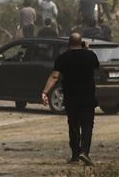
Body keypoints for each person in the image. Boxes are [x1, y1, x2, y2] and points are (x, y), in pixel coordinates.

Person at [42, 33, 99, 166]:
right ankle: (84, 152)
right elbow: (96, 66)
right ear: (81, 42)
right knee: (87, 125)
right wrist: (87, 49)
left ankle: (74, 155)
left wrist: (45, 92)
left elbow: (55, 76)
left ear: (69, 43)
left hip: (71, 97)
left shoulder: (62, 58)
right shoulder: (90, 55)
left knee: (73, 125)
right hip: (87, 97)